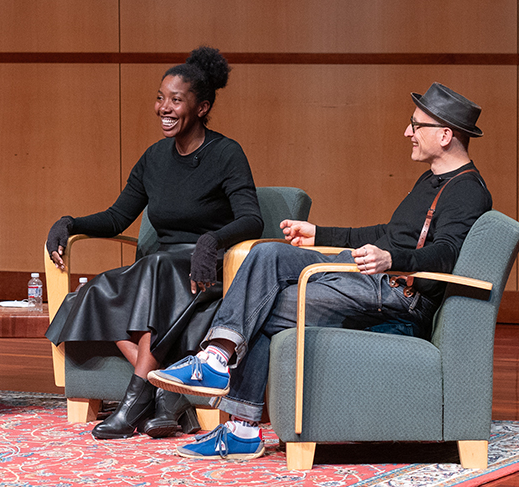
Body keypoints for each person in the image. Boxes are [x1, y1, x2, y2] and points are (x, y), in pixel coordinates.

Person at [148, 82, 493, 459]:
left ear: (444, 135)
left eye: (416, 124)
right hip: (372, 277)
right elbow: (388, 233)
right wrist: (320, 234)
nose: (407, 132)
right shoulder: (431, 180)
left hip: (398, 294)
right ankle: (216, 359)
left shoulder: (467, 191)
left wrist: (392, 260)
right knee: (268, 254)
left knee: (264, 305)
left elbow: (447, 254)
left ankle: (238, 423)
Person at [45, 46, 264, 440]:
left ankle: (133, 403)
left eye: (176, 100)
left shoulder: (226, 153)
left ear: (201, 107)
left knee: (155, 267)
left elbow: (252, 218)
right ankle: (165, 391)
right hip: (160, 271)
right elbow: (117, 217)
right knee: (93, 291)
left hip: (205, 270)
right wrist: (70, 222)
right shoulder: (154, 158)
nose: (164, 108)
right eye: (161, 98)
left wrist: (211, 241)